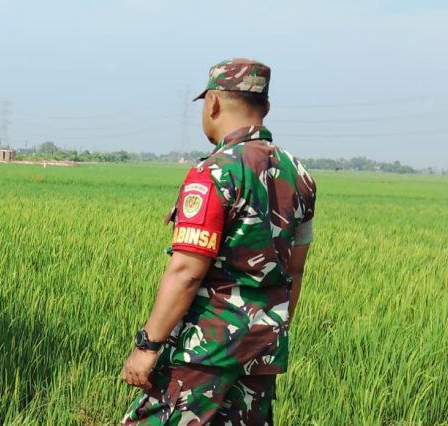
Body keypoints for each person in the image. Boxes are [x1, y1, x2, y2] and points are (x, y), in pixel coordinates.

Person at [120, 58, 317, 425]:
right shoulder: (299, 175)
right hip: (261, 350)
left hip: (204, 352)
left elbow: (186, 272)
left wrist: (148, 346)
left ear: (212, 104)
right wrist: (267, 328)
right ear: (266, 108)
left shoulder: (214, 172)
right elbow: (295, 270)